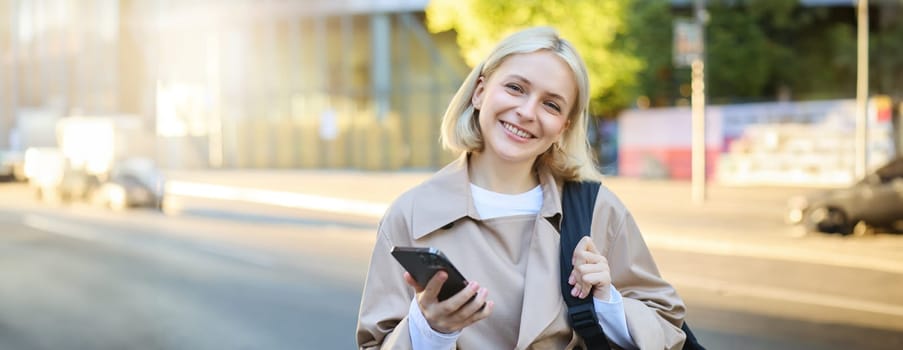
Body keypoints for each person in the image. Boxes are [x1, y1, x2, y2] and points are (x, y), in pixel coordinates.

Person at [356, 26, 687, 349]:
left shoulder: (598, 209)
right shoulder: (411, 215)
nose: (527, 112)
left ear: (563, 127)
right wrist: (431, 330)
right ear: (480, 91)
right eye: (515, 88)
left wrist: (609, 304)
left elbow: (668, 329)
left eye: (552, 104)